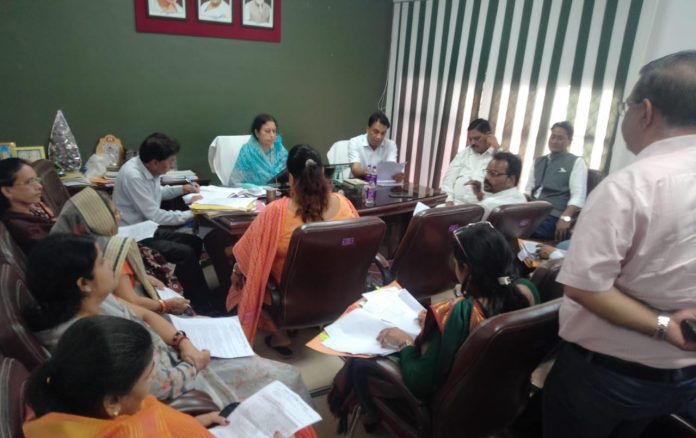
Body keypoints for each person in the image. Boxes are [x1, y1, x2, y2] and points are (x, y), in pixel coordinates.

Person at [542, 51, 696, 437]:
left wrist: (663, 325)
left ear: (646, 111)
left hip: (608, 377)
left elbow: (585, 286)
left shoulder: (631, 185)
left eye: (626, 105)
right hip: (681, 380)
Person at [24, 233, 312, 408]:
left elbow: (145, 313)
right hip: (178, 384)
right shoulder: (87, 341)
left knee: (255, 360)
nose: (111, 265)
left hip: (178, 355)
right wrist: (194, 362)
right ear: (83, 283)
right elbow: (154, 387)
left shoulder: (93, 300)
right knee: (286, 377)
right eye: (101, 262)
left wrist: (182, 341)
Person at [329, 223, 539, 428]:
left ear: (465, 269)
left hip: (453, 410)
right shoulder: (527, 291)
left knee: (360, 362)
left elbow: (420, 383)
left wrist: (405, 342)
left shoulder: (459, 313)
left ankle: (370, 413)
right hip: (505, 400)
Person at [227, 144, 359, 357]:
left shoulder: (276, 212)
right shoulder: (345, 204)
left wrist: (236, 270)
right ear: (322, 173)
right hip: (337, 291)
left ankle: (280, 335)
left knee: (245, 272)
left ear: (290, 178)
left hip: (291, 297)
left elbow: (249, 256)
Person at [23, 315, 227, 438]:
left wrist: (194, 424)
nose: (153, 378)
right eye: (148, 376)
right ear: (112, 402)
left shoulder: (66, 415)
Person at [113, 133, 213, 312]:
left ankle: (189, 291)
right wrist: (193, 212)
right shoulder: (133, 176)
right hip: (133, 235)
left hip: (146, 228)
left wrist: (182, 188)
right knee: (185, 253)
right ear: (154, 162)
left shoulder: (146, 167)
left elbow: (157, 192)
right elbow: (155, 215)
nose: (173, 165)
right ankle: (202, 307)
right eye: (171, 161)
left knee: (195, 242)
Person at [51, 187, 191, 315]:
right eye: (115, 213)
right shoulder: (108, 249)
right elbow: (132, 301)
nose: (120, 216)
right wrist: (165, 305)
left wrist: (142, 276)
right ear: (99, 220)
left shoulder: (65, 250)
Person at [525, 121, 588, 241]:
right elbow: (528, 190)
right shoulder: (538, 161)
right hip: (531, 211)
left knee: (519, 228)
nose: (554, 141)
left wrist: (565, 218)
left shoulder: (576, 162)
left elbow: (578, 196)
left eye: (560, 138)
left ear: (569, 141)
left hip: (552, 215)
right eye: (553, 137)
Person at [0, 158, 55, 254]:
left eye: (36, 180)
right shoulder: (24, 229)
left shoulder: (31, 210)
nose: (39, 186)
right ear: (7, 191)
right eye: (29, 182)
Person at [441, 118, 500, 206]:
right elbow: (448, 181)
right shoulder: (463, 154)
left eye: (476, 138)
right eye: (470, 139)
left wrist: (497, 148)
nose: (472, 143)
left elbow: (506, 186)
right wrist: (448, 200)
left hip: (481, 207)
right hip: (454, 204)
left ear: (488, 135)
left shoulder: (498, 158)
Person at [228, 114, 288, 187]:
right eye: (267, 131)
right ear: (257, 133)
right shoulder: (247, 151)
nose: (272, 135)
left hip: (279, 191)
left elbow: (289, 173)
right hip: (254, 192)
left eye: (274, 131)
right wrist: (250, 187)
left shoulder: (280, 149)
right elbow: (234, 182)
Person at [466, 151, 527, 220]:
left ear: (511, 180)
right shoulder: (522, 199)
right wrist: (480, 196)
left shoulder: (488, 205)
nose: (487, 177)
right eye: (487, 172)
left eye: (494, 174)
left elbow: (460, 224)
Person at [348, 111, 405, 182]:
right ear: (367, 129)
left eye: (383, 133)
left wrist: (396, 175)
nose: (379, 137)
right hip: (359, 183)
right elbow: (355, 170)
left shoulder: (391, 145)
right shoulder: (355, 142)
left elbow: (390, 169)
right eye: (376, 132)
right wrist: (374, 171)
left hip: (381, 184)